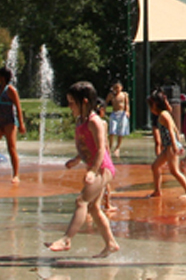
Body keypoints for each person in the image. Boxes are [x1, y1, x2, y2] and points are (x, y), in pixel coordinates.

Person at [46, 82, 119, 257]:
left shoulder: (95, 122)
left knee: (81, 201)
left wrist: (93, 171)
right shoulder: (81, 121)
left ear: (84, 102)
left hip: (103, 169)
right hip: (95, 167)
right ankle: (111, 243)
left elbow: (101, 149)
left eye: (72, 103)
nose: (69, 107)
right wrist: (77, 159)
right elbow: (88, 146)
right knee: (93, 208)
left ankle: (66, 239)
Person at [149, 90, 186, 198]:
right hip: (169, 146)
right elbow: (176, 130)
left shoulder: (164, 115)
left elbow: (171, 130)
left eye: (150, 106)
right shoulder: (166, 113)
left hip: (171, 146)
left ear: (155, 105)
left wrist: (175, 145)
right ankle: (157, 191)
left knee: (174, 171)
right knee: (155, 166)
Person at [0, 67, 26, 183]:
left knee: (11, 148)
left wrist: (21, 124)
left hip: (10, 122)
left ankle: (16, 174)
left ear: (2, 77)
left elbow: (18, 108)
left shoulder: (11, 90)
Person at [105, 82, 129, 157]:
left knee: (120, 132)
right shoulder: (111, 95)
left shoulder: (124, 95)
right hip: (114, 113)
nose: (117, 89)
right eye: (115, 87)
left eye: (118, 87)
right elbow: (106, 102)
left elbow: (127, 104)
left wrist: (127, 111)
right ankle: (110, 146)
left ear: (121, 88)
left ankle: (117, 147)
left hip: (122, 113)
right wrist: (103, 110)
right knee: (112, 131)